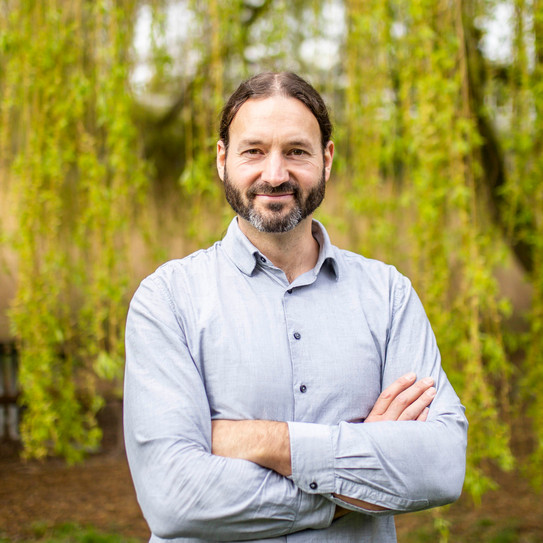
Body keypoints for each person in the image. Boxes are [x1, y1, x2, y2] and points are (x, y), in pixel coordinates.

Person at [123, 72, 468, 543]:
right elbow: (175, 497)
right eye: (254, 150)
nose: (275, 173)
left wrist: (262, 441)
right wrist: (355, 478)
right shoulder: (167, 300)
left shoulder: (389, 295)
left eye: (296, 151)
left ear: (326, 159)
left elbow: (441, 465)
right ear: (222, 160)